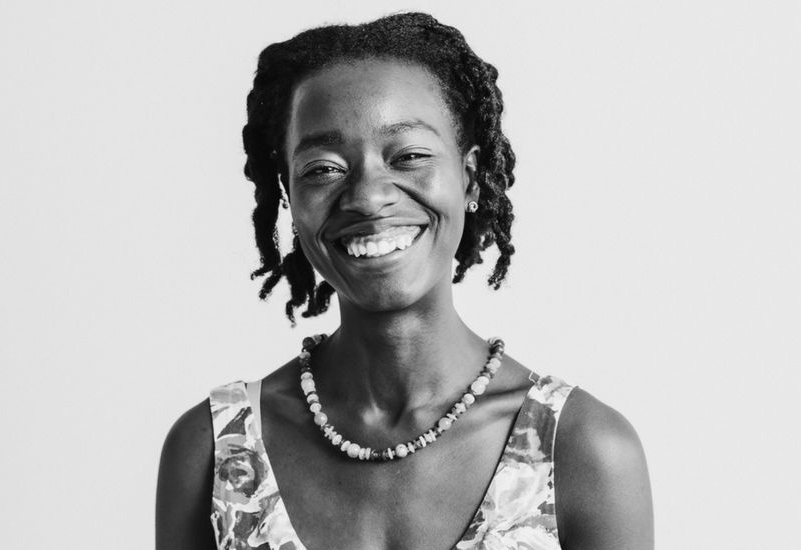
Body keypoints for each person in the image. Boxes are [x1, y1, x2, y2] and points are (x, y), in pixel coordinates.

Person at [156, 12, 652, 550]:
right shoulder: (216, 449)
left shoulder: (581, 450)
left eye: (410, 155)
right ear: (288, 197)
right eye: (323, 168)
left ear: (470, 177)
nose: (368, 197)